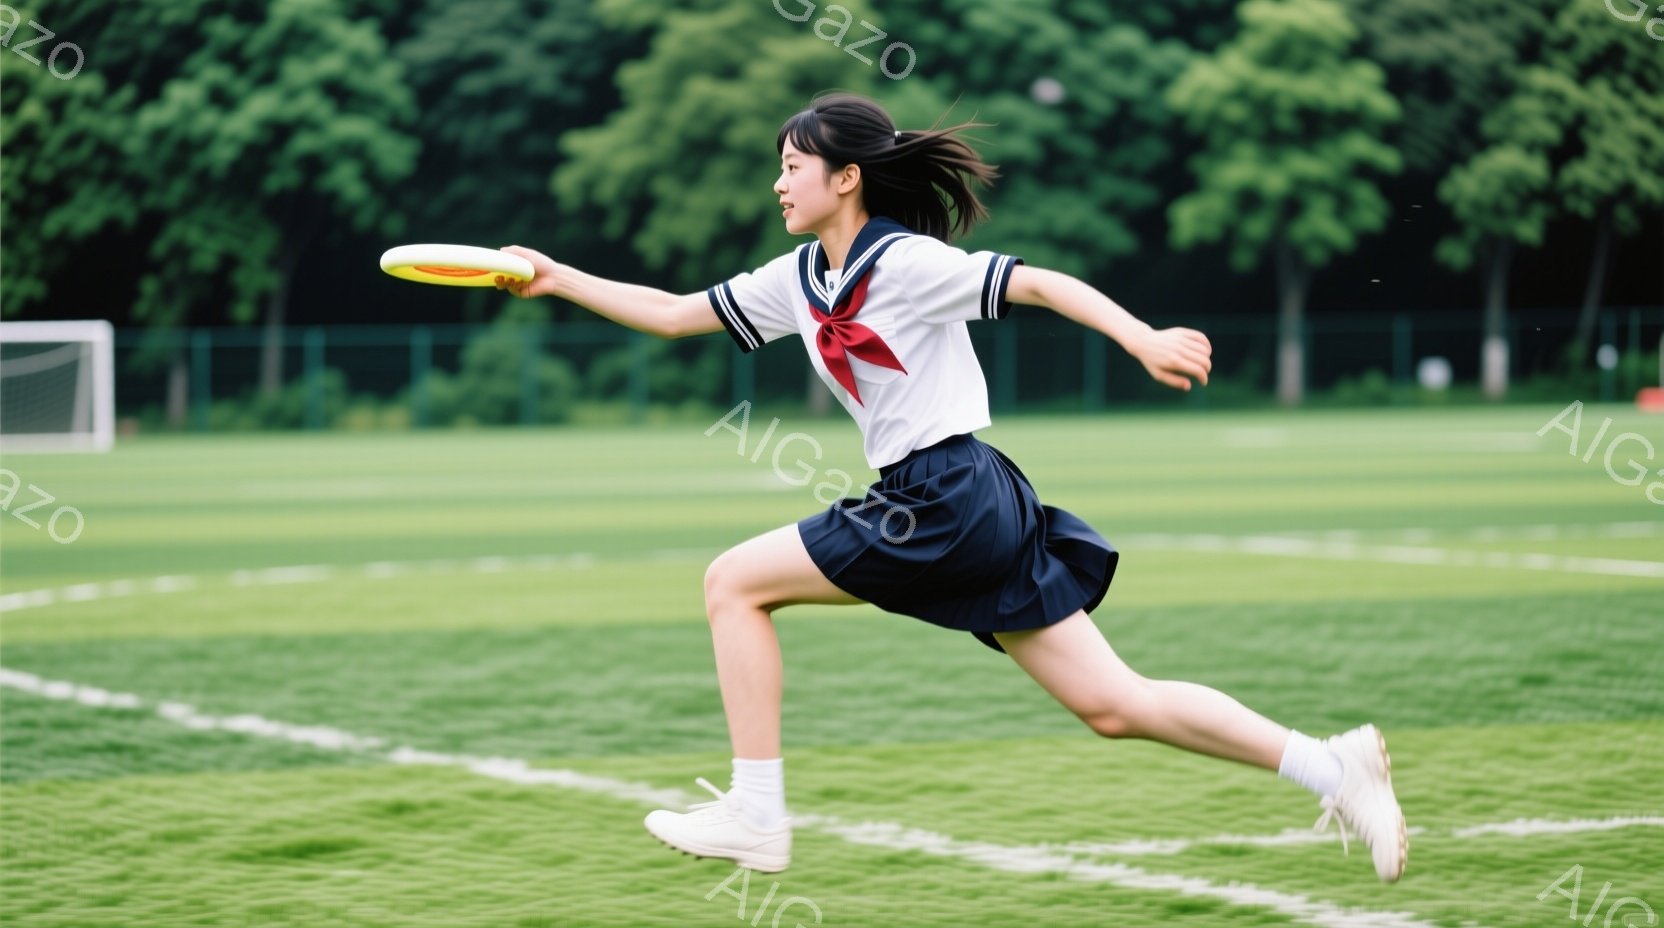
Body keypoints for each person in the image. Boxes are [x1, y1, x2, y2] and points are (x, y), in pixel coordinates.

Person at [495, 92, 1407, 882]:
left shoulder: (905, 262)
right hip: (968, 499)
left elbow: (1040, 284)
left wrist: (1139, 337)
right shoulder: (797, 277)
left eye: (791, 166)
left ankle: (757, 814)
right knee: (1113, 705)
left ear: (844, 177)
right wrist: (553, 274)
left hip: (945, 494)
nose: (777, 184)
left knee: (732, 582)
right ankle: (1334, 768)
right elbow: (670, 314)